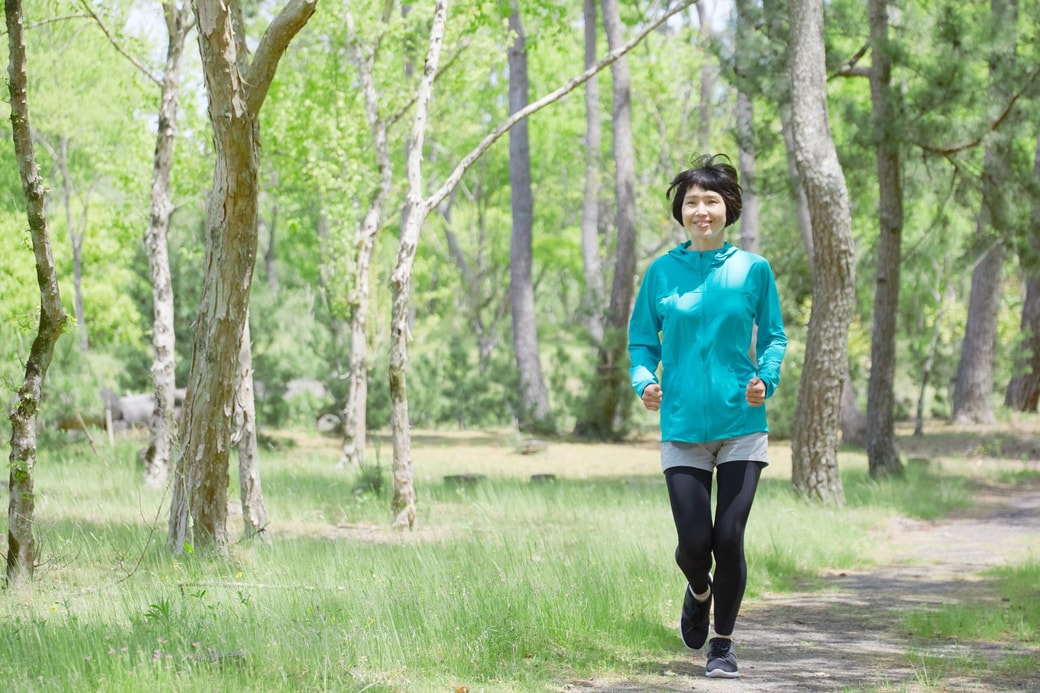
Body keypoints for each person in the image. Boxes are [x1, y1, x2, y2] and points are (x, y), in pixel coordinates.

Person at [627, 153, 786, 679]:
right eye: (692, 201)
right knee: (694, 545)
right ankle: (699, 591)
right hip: (682, 428)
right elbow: (641, 343)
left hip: (741, 423)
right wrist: (645, 381)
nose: (701, 210)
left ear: (728, 208)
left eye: (711, 201)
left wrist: (768, 376)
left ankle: (722, 643)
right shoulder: (661, 273)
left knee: (729, 538)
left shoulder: (752, 270)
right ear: (681, 211)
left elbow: (776, 336)